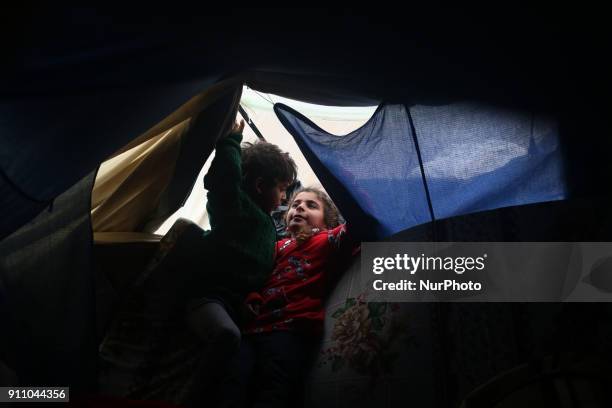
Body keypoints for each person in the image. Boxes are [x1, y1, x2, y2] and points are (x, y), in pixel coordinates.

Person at [99, 119, 297, 407]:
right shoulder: (236, 207)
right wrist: (229, 142)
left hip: (234, 303)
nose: (283, 198)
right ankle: (192, 397)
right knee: (227, 336)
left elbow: (254, 271)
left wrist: (250, 298)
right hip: (206, 298)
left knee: (237, 339)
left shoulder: (269, 226)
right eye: (281, 189)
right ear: (259, 185)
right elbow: (222, 181)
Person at [223, 187, 357, 408]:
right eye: (295, 205)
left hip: (290, 331)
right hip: (251, 330)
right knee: (232, 381)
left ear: (327, 221)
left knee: (274, 388)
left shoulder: (327, 240)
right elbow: (256, 276)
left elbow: (357, 225)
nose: (300, 208)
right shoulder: (275, 246)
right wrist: (252, 297)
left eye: (311, 205)